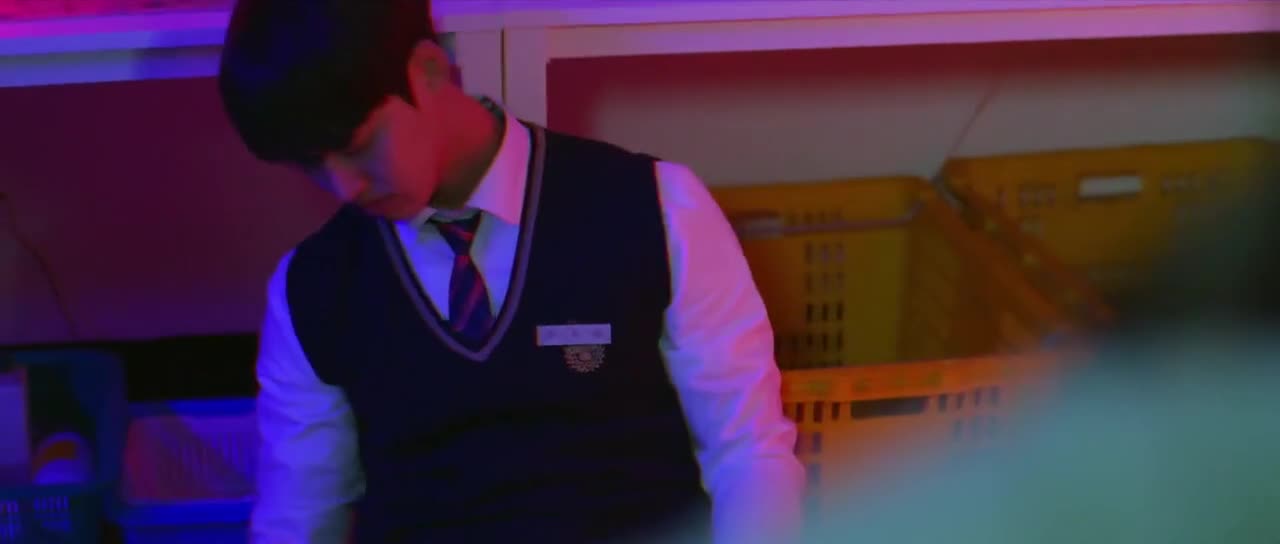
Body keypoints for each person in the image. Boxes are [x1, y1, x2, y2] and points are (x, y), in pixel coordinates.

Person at [215, 1, 805, 542]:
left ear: (428, 70)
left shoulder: (656, 208)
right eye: (311, 165)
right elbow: (299, 519)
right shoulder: (313, 289)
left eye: (357, 145)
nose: (343, 186)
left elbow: (747, 453)